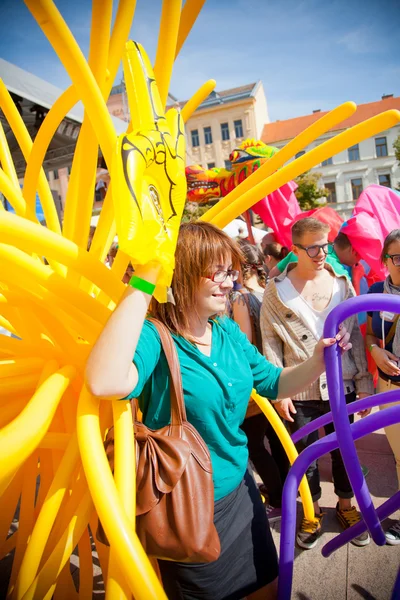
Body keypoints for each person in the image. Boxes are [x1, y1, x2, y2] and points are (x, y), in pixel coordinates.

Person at [86, 221, 351, 600]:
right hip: (188, 508)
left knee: (269, 589)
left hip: (243, 494)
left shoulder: (223, 329)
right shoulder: (155, 336)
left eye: (232, 272)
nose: (230, 283)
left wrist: (317, 361)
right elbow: (103, 381)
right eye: (219, 273)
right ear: (184, 273)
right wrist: (146, 279)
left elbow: (274, 382)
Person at [260, 218, 373, 551]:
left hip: (342, 384)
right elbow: (269, 342)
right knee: (304, 454)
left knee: (345, 449)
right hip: (299, 386)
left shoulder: (341, 283)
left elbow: (354, 332)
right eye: (313, 247)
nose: (322, 252)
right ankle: (310, 512)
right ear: (295, 249)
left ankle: (345, 505)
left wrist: (364, 381)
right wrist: (277, 390)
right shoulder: (276, 289)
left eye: (325, 244)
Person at [231, 241, 289, 520]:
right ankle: (287, 491)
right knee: (275, 442)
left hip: (255, 383)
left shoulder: (241, 298)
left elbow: (245, 346)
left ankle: (278, 499)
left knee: (255, 447)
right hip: (272, 377)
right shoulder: (267, 292)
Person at [366, 229, 400, 545]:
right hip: (388, 388)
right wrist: (376, 351)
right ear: (385, 260)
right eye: (398, 257)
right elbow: (369, 335)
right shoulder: (376, 291)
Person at [268, 230, 358, 281]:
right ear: (354, 251)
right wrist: (356, 279)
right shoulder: (339, 271)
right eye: (362, 255)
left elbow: (272, 275)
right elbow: (351, 305)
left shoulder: (299, 251)